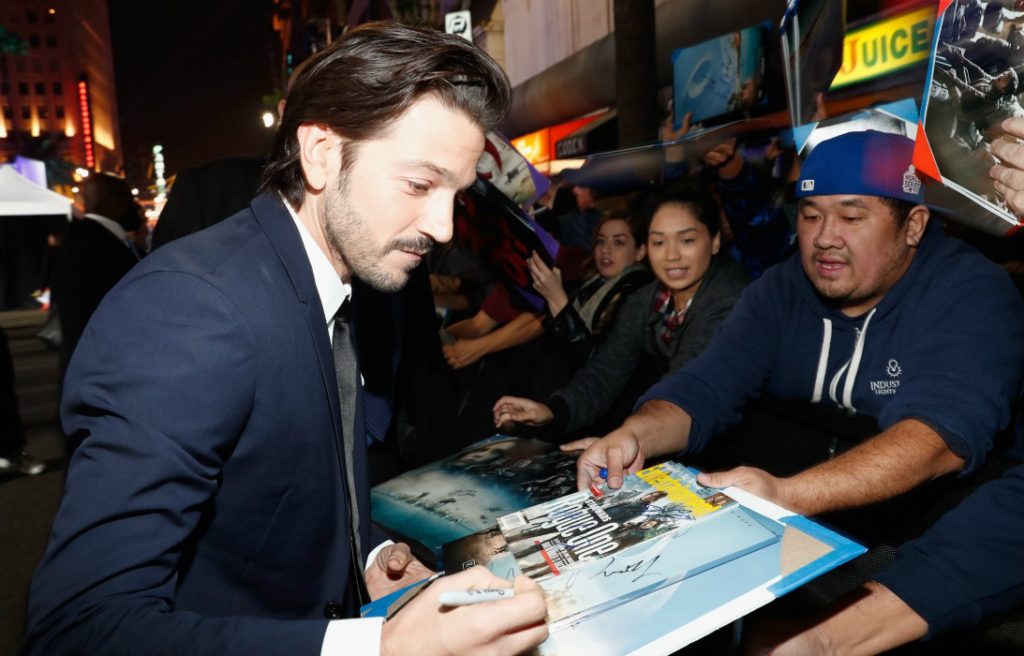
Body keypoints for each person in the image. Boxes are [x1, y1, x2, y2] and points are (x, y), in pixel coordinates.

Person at [25, 23, 547, 656]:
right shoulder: (191, 310)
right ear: (322, 152)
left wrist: (369, 550)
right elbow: (78, 631)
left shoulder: (329, 280)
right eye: (418, 184)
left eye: (454, 195)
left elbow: (277, 491)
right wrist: (379, 650)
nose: (441, 227)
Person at [569, 131, 1024, 546]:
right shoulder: (780, 289)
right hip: (803, 530)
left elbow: (938, 438)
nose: (825, 237)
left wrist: (787, 494)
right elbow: (706, 385)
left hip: (939, 541)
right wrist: (634, 435)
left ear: (914, 226)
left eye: (851, 216)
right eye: (810, 216)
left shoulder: (971, 292)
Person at [494, 182, 749, 441]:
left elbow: (687, 386)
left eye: (687, 240)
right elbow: (606, 371)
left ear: (715, 241)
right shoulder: (646, 300)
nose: (672, 255)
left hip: (727, 453)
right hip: (655, 435)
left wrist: (628, 437)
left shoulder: (731, 299)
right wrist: (553, 411)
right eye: (658, 242)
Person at [528, 210, 652, 368]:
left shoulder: (637, 293)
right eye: (601, 241)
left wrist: (557, 299)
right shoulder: (592, 281)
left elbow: (598, 364)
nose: (605, 249)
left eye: (618, 242)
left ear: (640, 251)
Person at [50, 174, 145, 379]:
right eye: (129, 198)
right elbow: (81, 316)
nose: (134, 205)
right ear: (114, 201)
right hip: (105, 370)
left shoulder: (85, 237)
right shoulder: (94, 244)